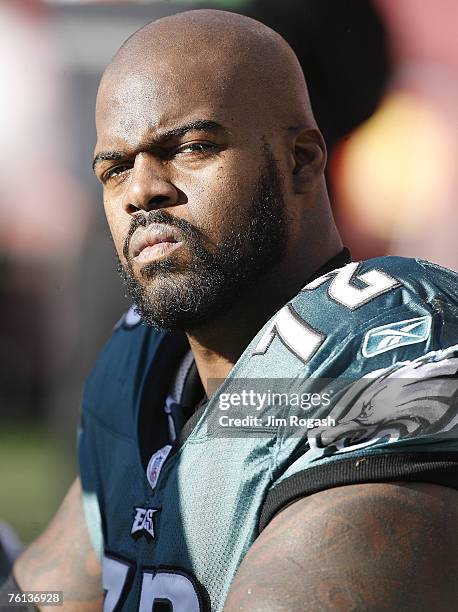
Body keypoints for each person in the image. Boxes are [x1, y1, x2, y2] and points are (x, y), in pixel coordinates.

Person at [3, 9, 458, 612]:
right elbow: (43, 597)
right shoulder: (144, 362)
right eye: (114, 170)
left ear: (301, 160)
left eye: (191, 147)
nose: (141, 191)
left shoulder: (381, 350)